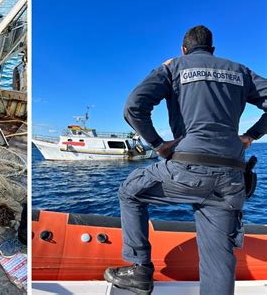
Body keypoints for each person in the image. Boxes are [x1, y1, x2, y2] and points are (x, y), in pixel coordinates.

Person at [104, 25, 267, 295]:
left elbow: (133, 107)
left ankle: (140, 269)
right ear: (213, 50)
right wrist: (251, 136)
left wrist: (158, 145)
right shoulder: (241, 71)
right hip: (231, 176)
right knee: (219, 261)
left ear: (183, 49)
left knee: (130, 192)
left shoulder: (174, 67)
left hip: (187, 167)